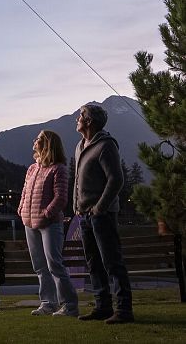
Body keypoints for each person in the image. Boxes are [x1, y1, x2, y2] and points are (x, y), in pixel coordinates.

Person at [74, 103, 134, 323]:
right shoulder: (80, 146)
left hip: (102, 215)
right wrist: (76, 206)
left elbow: (116, 179)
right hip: (84, 216)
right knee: (93, 263)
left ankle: (124, 310)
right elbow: (78, 182)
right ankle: (102, 306)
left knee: (112, 262)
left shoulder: (106, 145)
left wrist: (100, 207)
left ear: (89, 121)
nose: (77, 118)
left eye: (81, 115)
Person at [17, 129, 78, 317]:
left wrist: (47, 213)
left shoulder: (58, 168)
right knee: (40, 266)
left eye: (39, 139)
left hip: (50, 224)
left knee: (55, 265)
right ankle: (48, 303)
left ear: (47, 144)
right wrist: (21, 209)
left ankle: (70, 305)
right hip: (29, 222)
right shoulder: (32, 168)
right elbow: (25, 192)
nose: (35, 140)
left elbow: (61, 197)